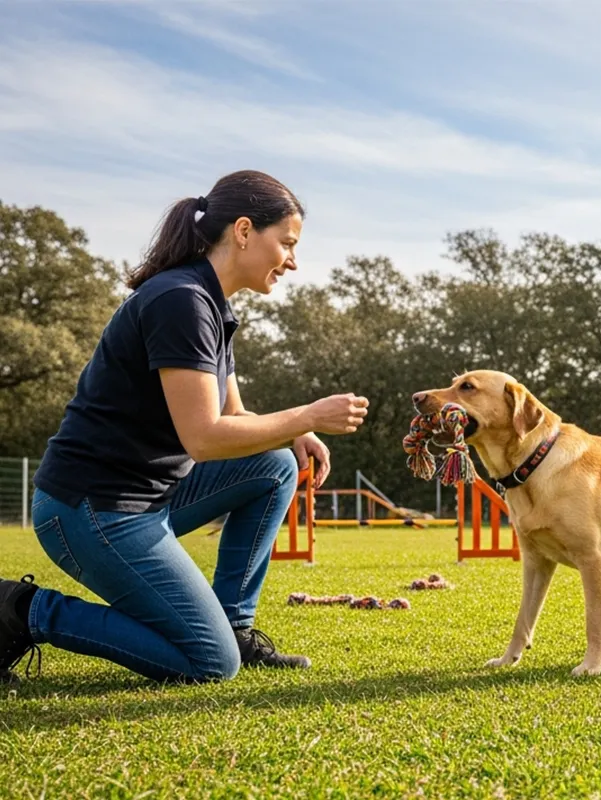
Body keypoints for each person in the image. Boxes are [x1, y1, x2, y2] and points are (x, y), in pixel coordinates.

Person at [0, 170, 369, 685]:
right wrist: (307, 415)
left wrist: (292, 432)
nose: (293, 261)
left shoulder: (215, 306)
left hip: (147, 499)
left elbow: (235, 416)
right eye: (286, 243)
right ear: (244, 231)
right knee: (208, 662)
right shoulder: (181, 300)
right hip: (90, 508)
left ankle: (235, 625)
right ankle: (22, 610)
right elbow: (204, 437)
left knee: (276, 465)